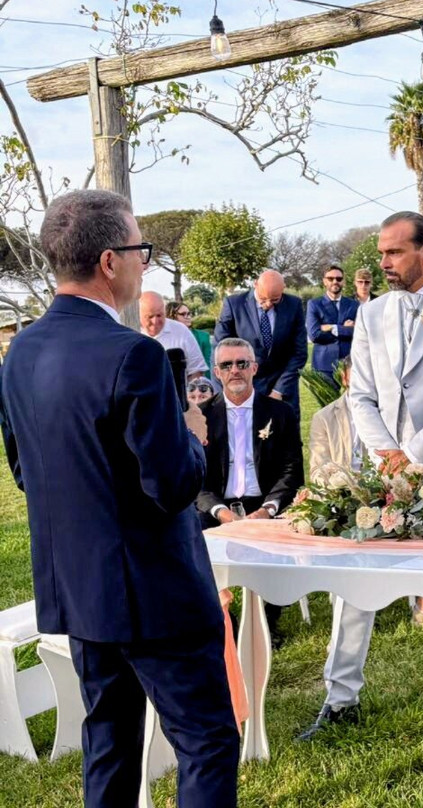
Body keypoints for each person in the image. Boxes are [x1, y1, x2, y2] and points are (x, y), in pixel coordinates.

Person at [0, 189, 238, 806]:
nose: (143, 264)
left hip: (78, 588)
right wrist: (192, 435)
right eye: (140, 251)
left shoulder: (20, 352)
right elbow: (173, 485)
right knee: (207, 741)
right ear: (110, 261)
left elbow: (26, 471)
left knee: (108, 740)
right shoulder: (135, 354)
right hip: (156, 591)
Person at [303, 211, 423, 740]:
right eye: (381, 252)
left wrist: (416, 454)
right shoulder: (371, 313)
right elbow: (360, 393)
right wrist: (386, 452)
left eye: (394, 252)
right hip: (380, 469)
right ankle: (340, 697)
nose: (383, 261)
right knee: (355, 580)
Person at [196, 338, 305, 642]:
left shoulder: (280, 413)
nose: (235, 370)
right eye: (227, 365)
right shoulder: (201, 416)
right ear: (216, 372)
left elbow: (292, 471)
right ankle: (225, 621)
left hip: (264, 502)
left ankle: (268, 622)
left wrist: (267, 510)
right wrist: (221, 512)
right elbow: (195, 478)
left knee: (286, 532)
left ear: (254, 368)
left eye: (242, 363)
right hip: (217, 505)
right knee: (191, 536)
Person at [215, 269, 307, 420]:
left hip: (284, 387)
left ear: (283, 289)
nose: (268, 304)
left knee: (287, 433)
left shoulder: (294, 305)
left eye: (275, 300)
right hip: (247, 387)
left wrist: (279, 390)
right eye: (263, 299)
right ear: (255, 285)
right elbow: (220, 350)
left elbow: (299, 353)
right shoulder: (234, 304)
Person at [307, 264, 359, 390]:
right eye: (330, 278)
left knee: (352, 401)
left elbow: (359, 332)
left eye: (339, 279)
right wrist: (345, 329)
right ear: (324, 281)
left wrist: (333, 327)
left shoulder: (354, 305)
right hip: (324, 365)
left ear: (343, 281)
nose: (335, 281)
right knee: (327, 402)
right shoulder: (314, 304)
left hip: (349, 365)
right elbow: (315, 335)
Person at [140, 291, 208, 380]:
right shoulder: (131, 331)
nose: (155, 321)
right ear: (139, 315)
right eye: (150, 317)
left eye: (159, 315)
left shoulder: (181, 330)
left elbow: (197, 370)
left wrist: (187, 388)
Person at [309, 358, 359, 474]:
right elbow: (318, 469)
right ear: (344, 378)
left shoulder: (390, 415)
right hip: (342, 482)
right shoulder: (323, 419)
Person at [168, 299, 213, 372]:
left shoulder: (203, 337)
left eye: (189, 314)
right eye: (183, 314)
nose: (188, 317)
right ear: (172, 316)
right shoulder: (165, 337)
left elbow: (208, 366)